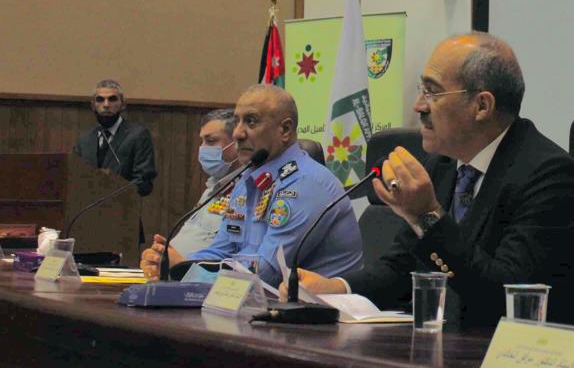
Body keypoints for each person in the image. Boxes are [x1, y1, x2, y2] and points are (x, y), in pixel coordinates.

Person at [289, 33, 574, 329]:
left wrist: (428, 216)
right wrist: (335, 288)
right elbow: (402, 268)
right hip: (456, 350)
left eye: (432, 91)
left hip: (531, 356)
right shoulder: (445, 164)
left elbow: (504, 295)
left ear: (482, 106)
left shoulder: (548, 175)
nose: (418, 105)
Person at [140, 85, 363, 286]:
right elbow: (221, 250)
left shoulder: (306, 184)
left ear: (285, 130)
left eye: (251, 121)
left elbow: (267, 273)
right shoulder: (248, 180)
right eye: (237, 121)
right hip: (261, 307)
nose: (237, 133)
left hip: (318, 313)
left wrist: (186, 272)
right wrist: (175, 264)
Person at [168, 109, 241, 257]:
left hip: (197, 270)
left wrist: (177, 261)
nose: (202, 148)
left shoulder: (246, 190)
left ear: (237, 143)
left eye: (211, 141)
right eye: (202, 141)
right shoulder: (212, 187)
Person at [73, 79, 157, 197]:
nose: (106, 105)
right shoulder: (85, 140)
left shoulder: (137, 135)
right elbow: (74, 176)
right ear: (93, 106)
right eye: (100, 100)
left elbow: (144, 183)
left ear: (123, 105)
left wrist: (113, 189)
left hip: (123, 204)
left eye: (112, 99)